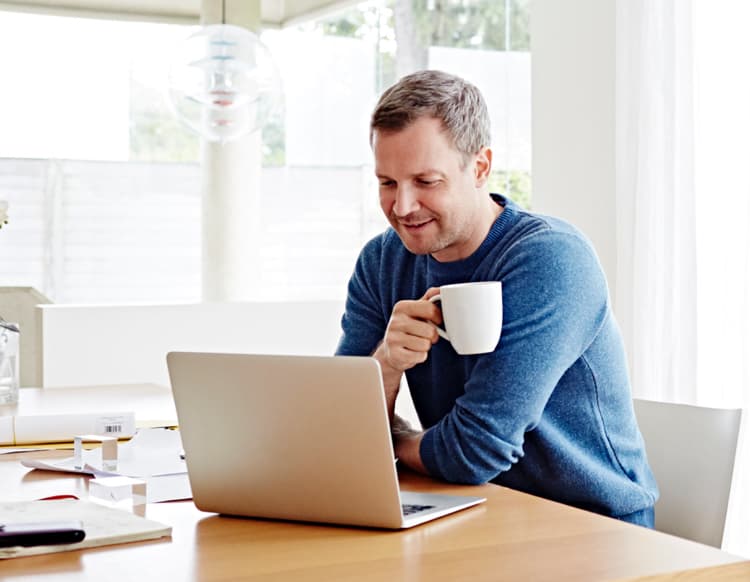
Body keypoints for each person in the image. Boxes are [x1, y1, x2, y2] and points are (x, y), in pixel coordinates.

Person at [335, 70, 658, 526]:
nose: (402, 207)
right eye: (387, 182)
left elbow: (474, 451)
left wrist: (397, 443)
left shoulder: (550, 259)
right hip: (475, 510)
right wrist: (386, 362)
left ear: (480, 167)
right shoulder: (383, 261)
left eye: (426, 181)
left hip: (593, 525)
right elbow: (339, 432)